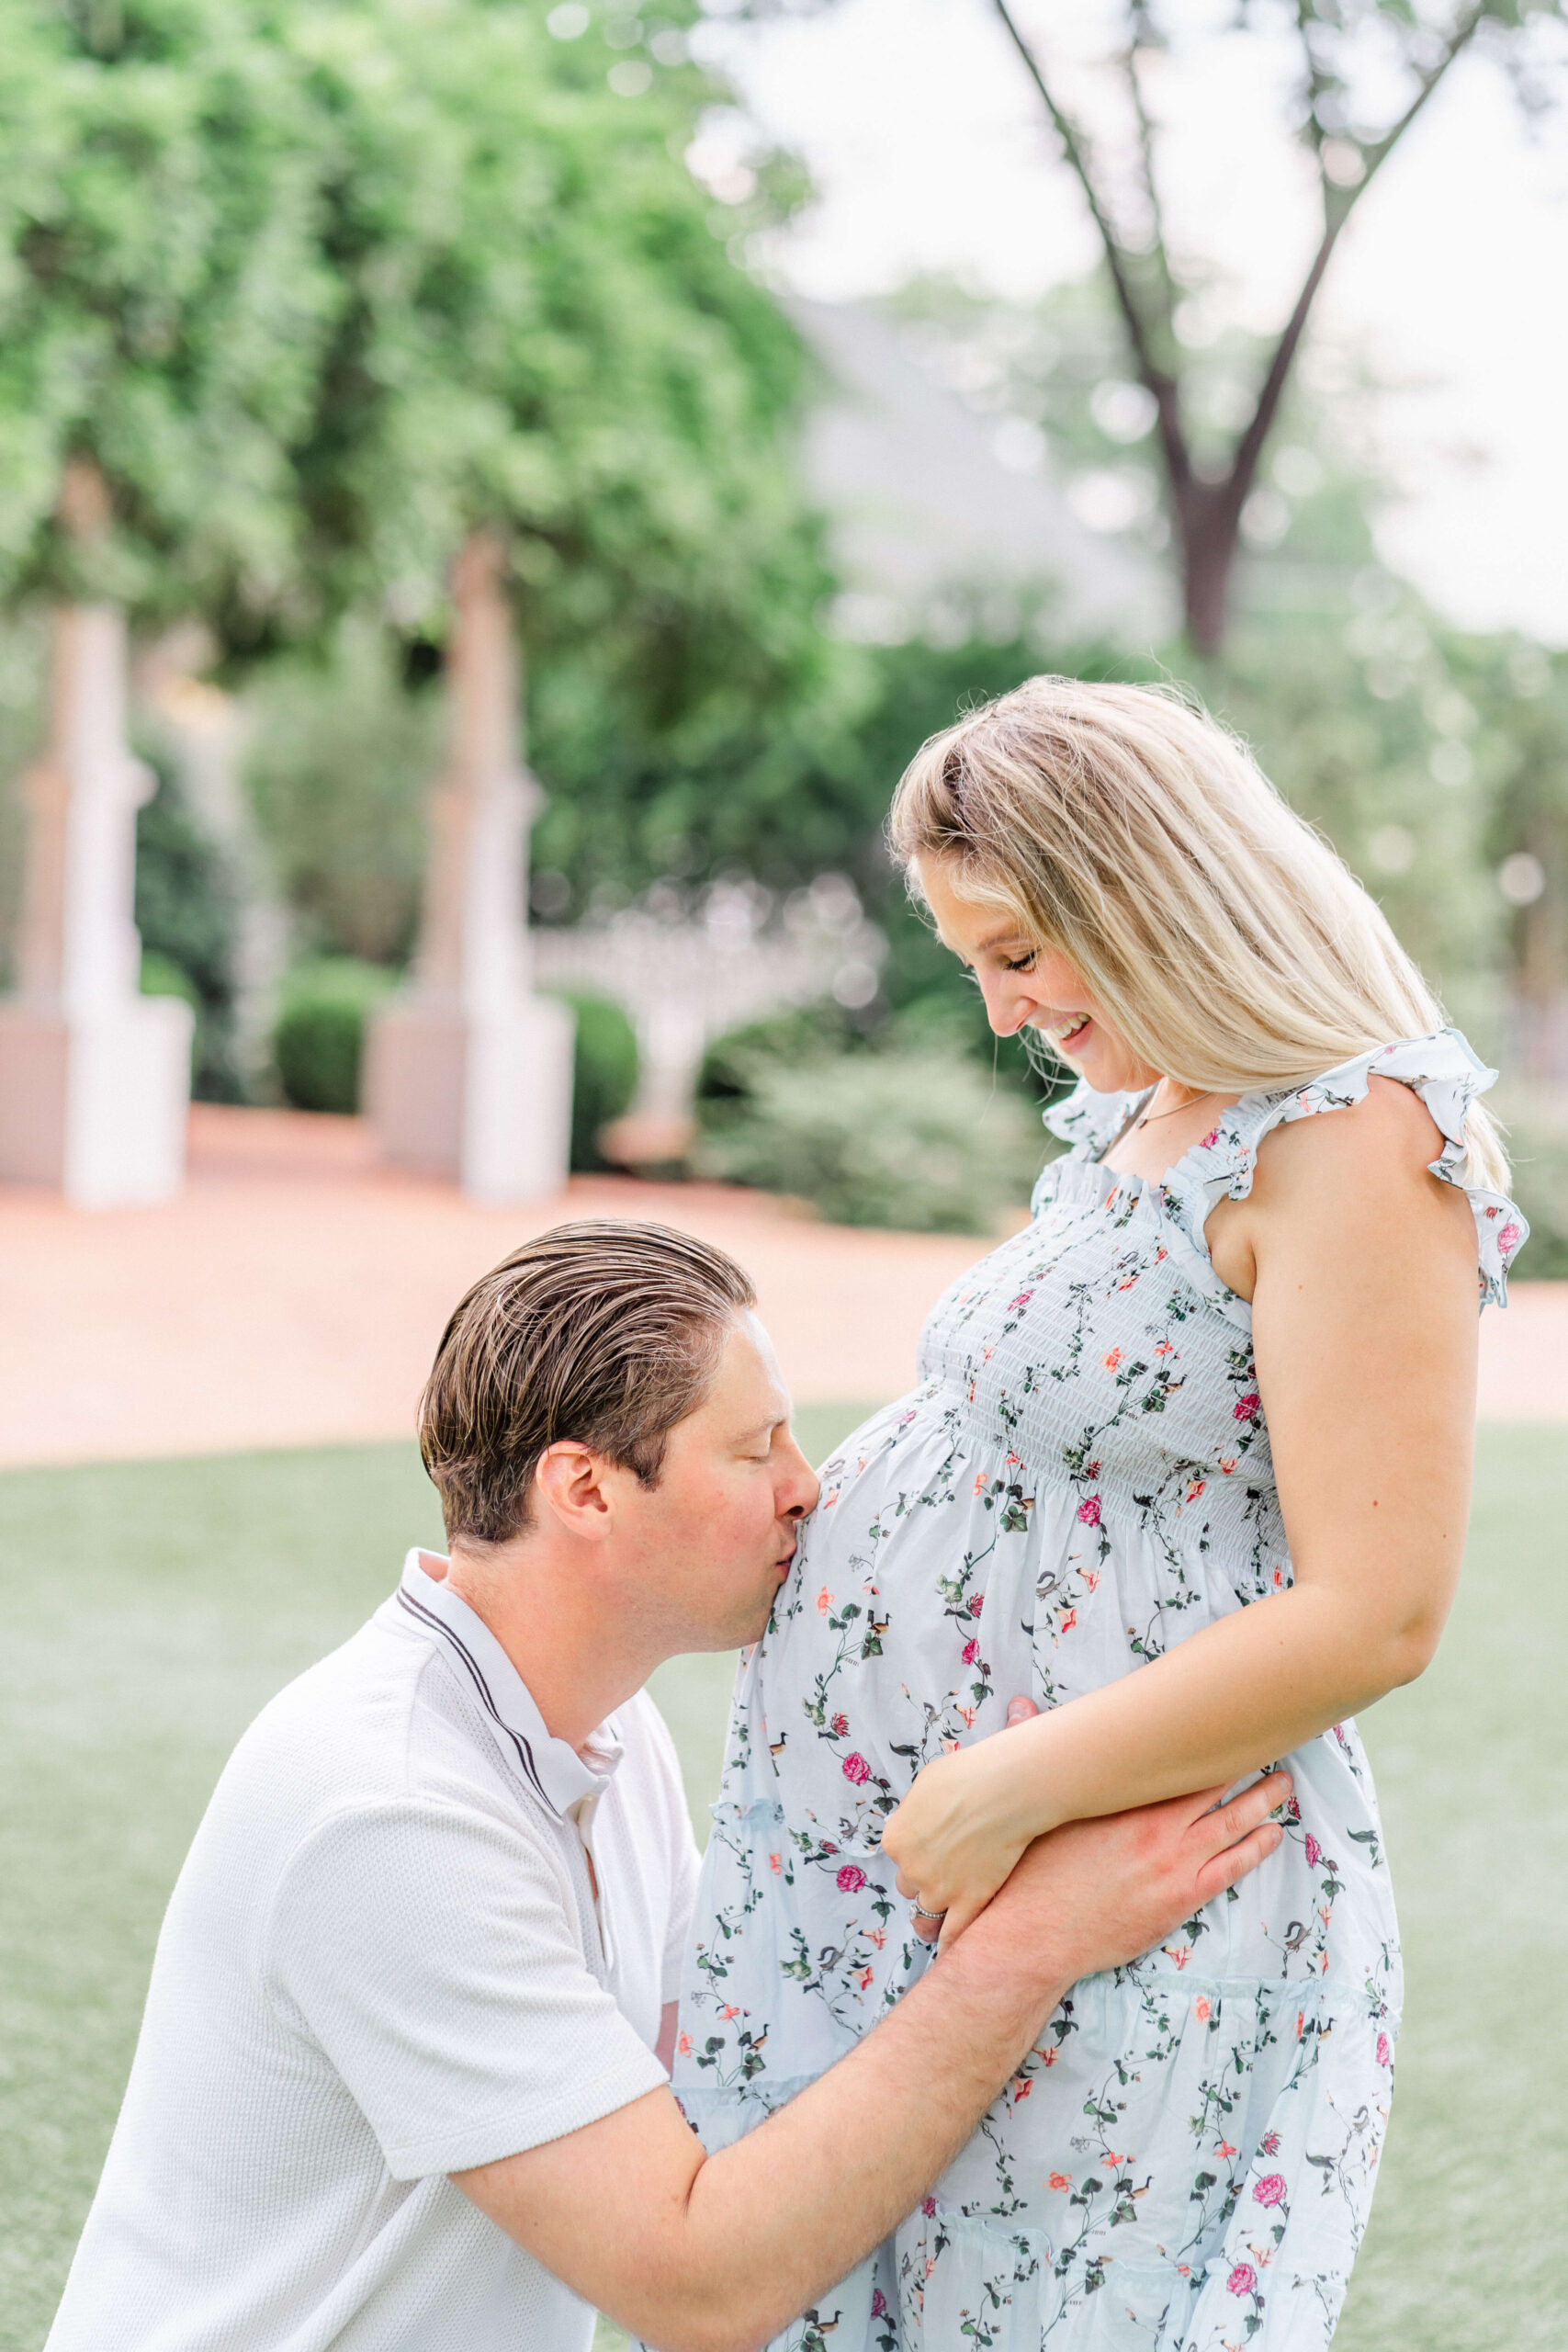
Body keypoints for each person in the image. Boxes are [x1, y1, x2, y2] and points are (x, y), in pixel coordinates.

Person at [672, 679, 1529, 2351]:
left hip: (1106, 1880)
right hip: (944, 1870)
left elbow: (1382, 1610)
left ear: (1140, 888)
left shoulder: (1357, 1137)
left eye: (1016, 953)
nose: (998, 1014)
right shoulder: (1158, 1117)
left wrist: (1002, 1789)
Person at [45, 1220, 1288, 2352]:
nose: (810, 1484)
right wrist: (1029, 1946)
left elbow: (729, 2075)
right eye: (753, 1450)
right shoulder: (389, 1810)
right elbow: (698, 2282)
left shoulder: (607, 1729)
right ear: (585, 1489)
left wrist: (1021, 1796)